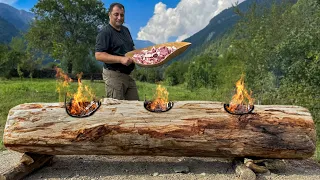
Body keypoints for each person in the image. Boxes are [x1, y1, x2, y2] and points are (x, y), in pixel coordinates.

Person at [95, 2, 139, 100]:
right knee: (117, 109)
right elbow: (99, 55)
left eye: (122, 15)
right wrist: (121, 59)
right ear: (109, 14)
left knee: (134, 106)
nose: (119, 17)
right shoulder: (105, 33)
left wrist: (142, 56)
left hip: (128, 76)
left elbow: (132, 48)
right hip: (113, 76)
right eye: (116, 14)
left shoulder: (126, 30)